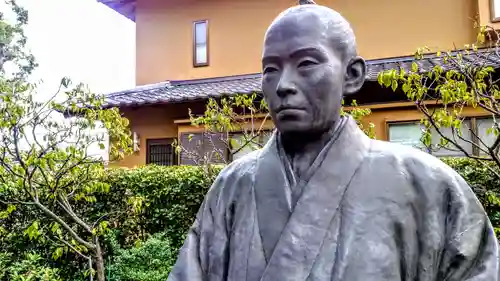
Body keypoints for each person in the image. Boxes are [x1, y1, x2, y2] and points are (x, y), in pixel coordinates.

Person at [167, 1, 500, 280]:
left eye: (306, 64)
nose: (283, 84)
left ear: (352, 75)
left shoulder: (427, 184)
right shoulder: (232, 186)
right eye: (270, 69)